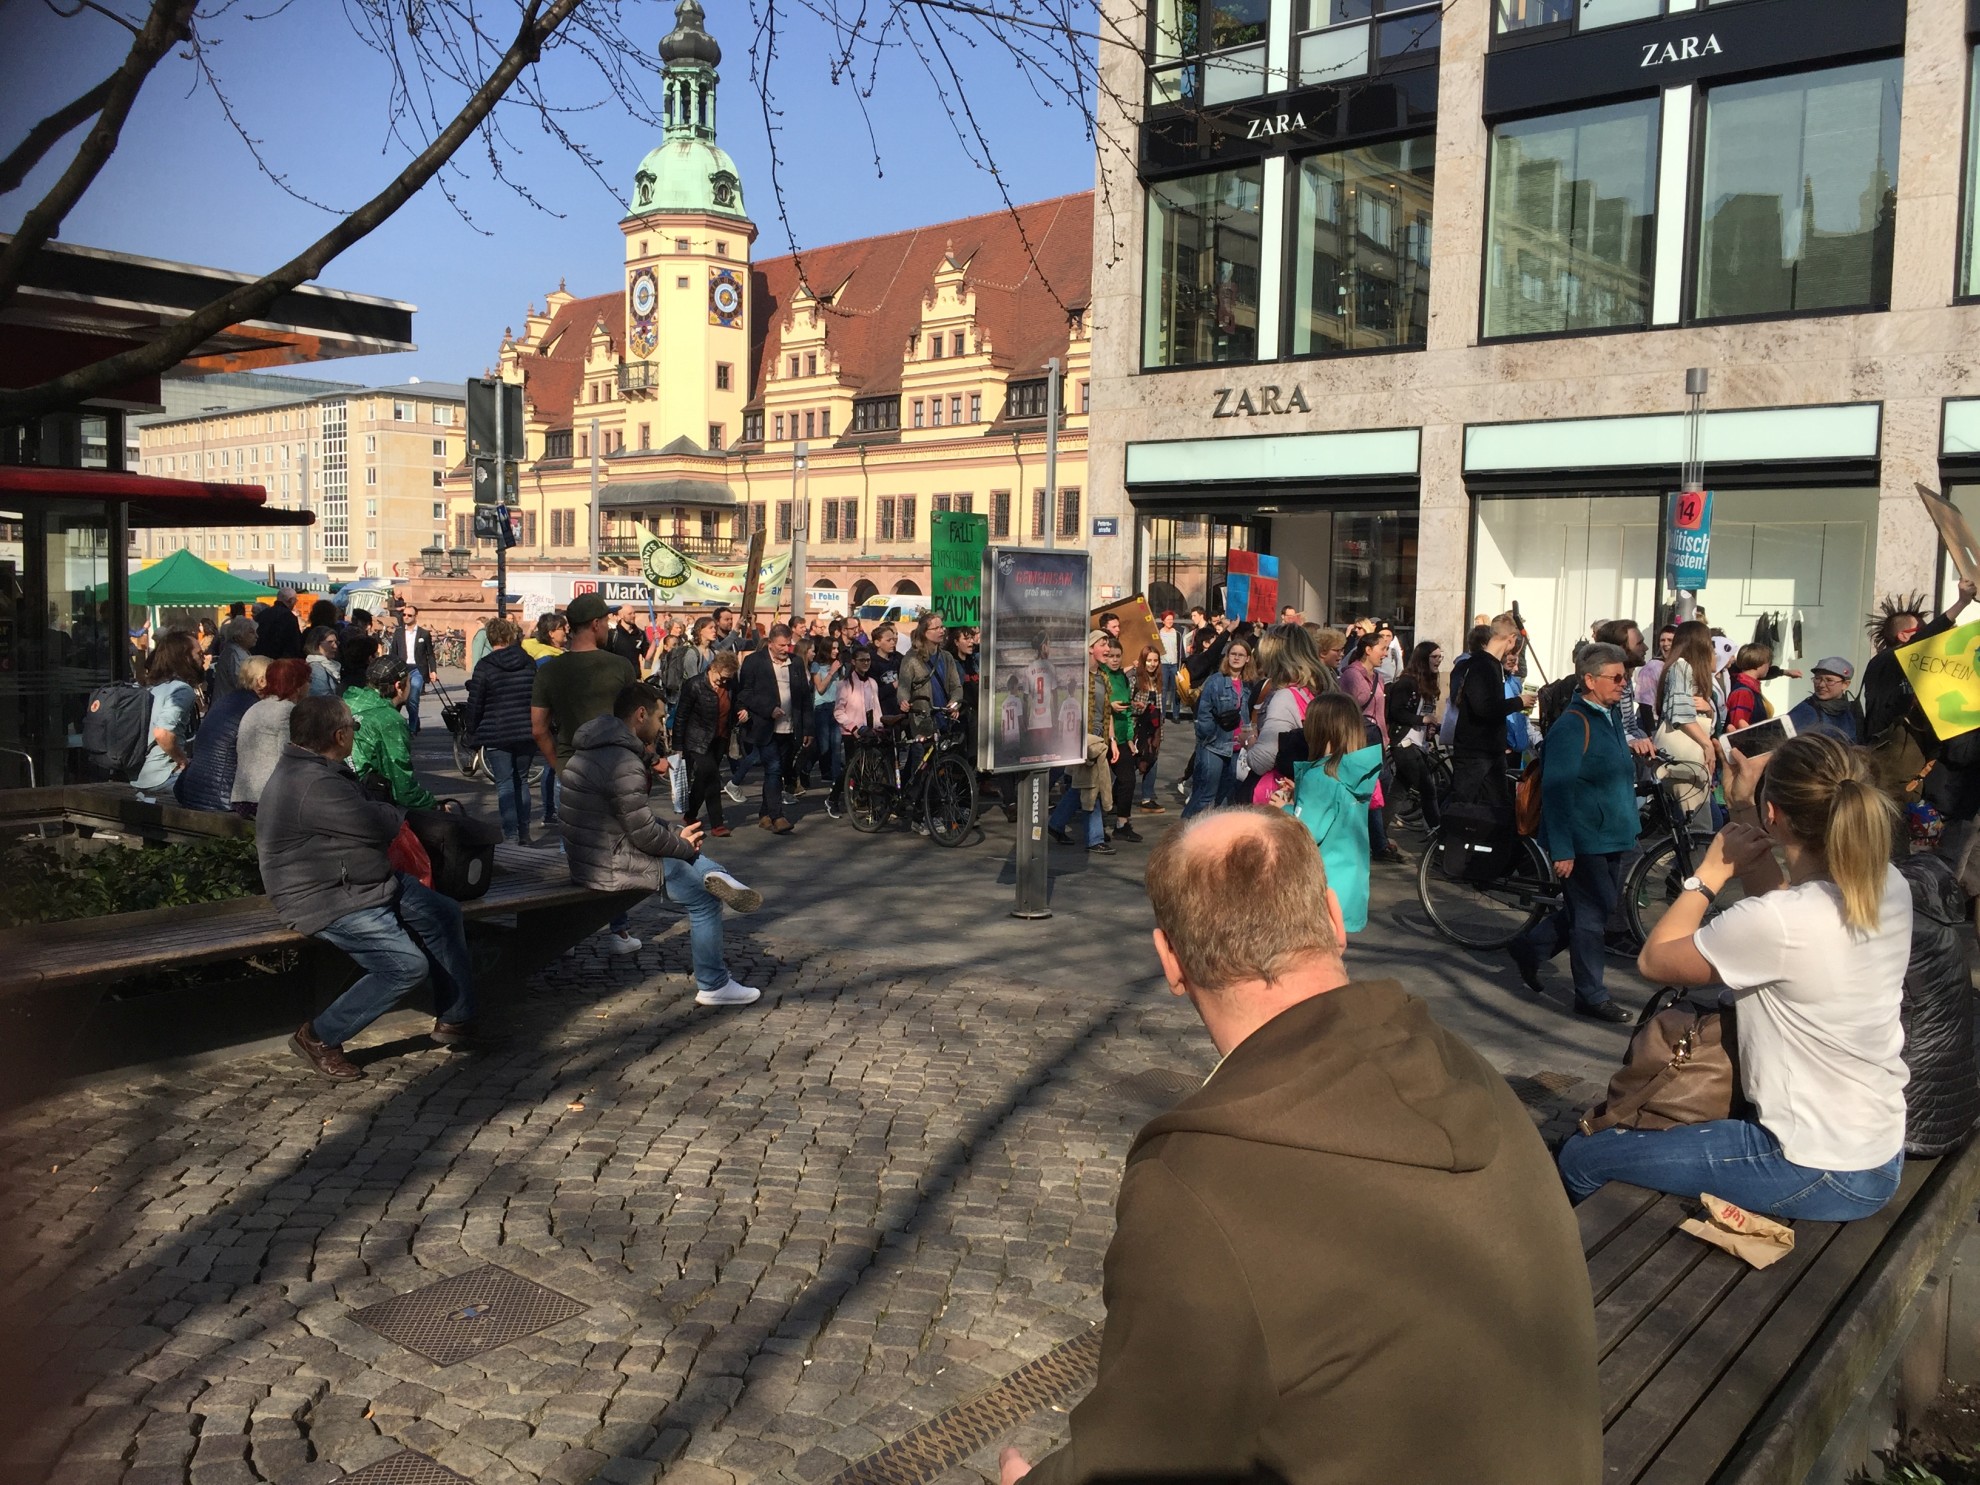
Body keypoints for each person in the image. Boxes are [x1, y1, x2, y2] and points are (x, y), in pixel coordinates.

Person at [1000, 808, 1601, 1485]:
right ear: (1334, 918)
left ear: (1170, 961)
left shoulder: (1198, 1185)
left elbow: (1137, 1455)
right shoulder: (1467, 1069)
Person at [1557, 735, 1912, 1219]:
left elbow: (1654, 961)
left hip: (1813, 1166)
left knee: (1583, 1158)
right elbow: (1783, 910)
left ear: (1776, 814)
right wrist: (1744, 807)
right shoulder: (1888, 884)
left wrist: (1709, 874)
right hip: (1874, 1146)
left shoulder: (1784, 921)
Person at [258, 695, 476, 1081]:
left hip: (367, 882)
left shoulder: (320, 770)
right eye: (354, 731)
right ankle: (319, 1036)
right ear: (340, 735)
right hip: (325, 897)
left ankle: (455, 1018)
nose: (354, 737)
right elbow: (379, 823)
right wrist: (388, 810)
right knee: (405, 967)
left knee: (444, 913)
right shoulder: (311, 783)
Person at [560, 682, 765, 1006]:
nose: (661, 726)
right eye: (659, 717)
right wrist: (681, 846)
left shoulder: (589, 751)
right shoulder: (624, 763)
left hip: (587, 853)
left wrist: (674, 831)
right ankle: (714, 985)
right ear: (640, 715)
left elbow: (629, 820)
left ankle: (717, 873)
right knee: (704, 900)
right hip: (608, 863)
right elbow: (641, 834)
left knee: (685, 847)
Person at [1506, 644, 1638, 1023]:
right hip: (1584, 839)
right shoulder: (1571, 725)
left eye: (1624, 677)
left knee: (1593, 907)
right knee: (1591, 918)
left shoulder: (1609, 715)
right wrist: (1562, 849)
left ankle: (1530, 948)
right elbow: (1557, 791)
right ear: (1590, 680)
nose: (1623, 684)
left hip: (1610, 832)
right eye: (1616, 678)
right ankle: (1591, 994)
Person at [1274, 692, 1383, 934]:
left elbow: (1305, 832)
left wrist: (1284, 809)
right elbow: (1337, 809)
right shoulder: (1353, 771)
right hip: (1348, 887)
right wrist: (1300, 793)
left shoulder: (1320, 777)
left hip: (1319, 889)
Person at [531, 592, 636, 808]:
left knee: (572, 839)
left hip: (571, 768)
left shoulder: (549, 670)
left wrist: (560, 766)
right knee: (617, 837)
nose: (609, 627)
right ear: (596, 624)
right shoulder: (620, 666)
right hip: (615, 768)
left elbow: (539, 729)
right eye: (607, 621)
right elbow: (634, 723)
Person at [466, 617, 542, 845]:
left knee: (505, 783)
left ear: (490, 639)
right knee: (522, 780)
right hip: (526, 730)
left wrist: (471, 730)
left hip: (496, 731)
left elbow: (475, 702)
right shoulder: (529, 662)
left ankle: (510, 834)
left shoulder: (486, 665)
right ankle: (525, 832)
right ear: (511, 637)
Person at [1445, 619, 1532, 814]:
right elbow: (1484, 707)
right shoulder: (1483, 665)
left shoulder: (1487, 664)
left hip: (1488, 750)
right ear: (1511, 639)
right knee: (1461, 805)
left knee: (1498, 806)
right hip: (1476, 751)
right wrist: (1519, 702)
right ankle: (1446, 840)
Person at [734, 622, 809, 834]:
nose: (785, 650)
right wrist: (769, 709)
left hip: (789, 727)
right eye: (781, 646)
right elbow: (745, 693)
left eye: (788, 645)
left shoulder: (795, 663)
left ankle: (765, 813)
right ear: (770, 643)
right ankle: (777, 816)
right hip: (764, 727)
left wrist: (808, 729)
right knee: (774, 768)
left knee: (777, 771)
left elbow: (804, 698)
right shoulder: (754, 662)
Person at [1240, 624, 1327, 806]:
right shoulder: (1320, 691)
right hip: (1313, 791)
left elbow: (1262, 760)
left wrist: (1248, 742)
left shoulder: (1285, 697)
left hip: (1281, 795)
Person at [1050, 631, 1119, 853]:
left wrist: (1113, 741)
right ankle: (1095, 838)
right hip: (1083, 739)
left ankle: (1056, 823)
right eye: (1102, 644)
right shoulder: (1078, 678)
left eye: (1108, 644)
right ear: (1090, 648)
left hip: (1099, 740)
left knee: (1080, 786)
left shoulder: (1104, 677)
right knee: (1092, 786)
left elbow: (1106, 712)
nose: (1107, 648)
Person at [1338, 630, 1402, 866]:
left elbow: (1380, 712)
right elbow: (1349, 710)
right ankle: (1376, 843)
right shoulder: (1351, 676)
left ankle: (1376, 841)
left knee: (1378, 790)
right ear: (1368, 649)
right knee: (1369, 791)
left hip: (1377, 742)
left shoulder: (1379, 677)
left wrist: (1385, 738)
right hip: (1358, 742)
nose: (1385, 654)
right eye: (1382, 649)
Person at [175, 655, 269, 812]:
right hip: (222, 800)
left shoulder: (225, 701)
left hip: (191, 792)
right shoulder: (255, 709)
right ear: (261, 681)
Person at [348, 656, 438, 809]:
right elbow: (401, 779)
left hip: (340, 787)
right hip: (368, 800)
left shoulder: (348, 700)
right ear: (399, 686)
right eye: (409, 682)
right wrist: (432, 804)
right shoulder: (389, 720)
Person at [1654, 619, 1719, 821]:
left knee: (1703, 824)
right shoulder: (1682, 667)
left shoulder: (1681, 668)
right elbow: (1681, 716)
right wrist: (1706, 744)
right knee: (1700, 828)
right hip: (1687, 764)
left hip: (1688, 765)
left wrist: (1709, 710)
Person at [131, 630, 206, 800]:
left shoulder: (153, 687)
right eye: (199, 653)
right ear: (185, 658)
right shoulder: (182, 690)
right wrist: (182, 760)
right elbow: (162, 733)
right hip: (163, 776)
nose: (204, 657)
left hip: (138, 776)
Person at [232, 658, 313, 814]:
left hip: (242, 796)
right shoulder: (287, 710)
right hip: (267, 800)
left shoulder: (256, 707)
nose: (310, 685)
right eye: (308, 680)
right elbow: (289, 759)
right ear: (297, 685)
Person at [1183, 637, 1251, 818]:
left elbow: (1248, 716)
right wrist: (1208, 736)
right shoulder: (1216, 681)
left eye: (1241, 655)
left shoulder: (1248, 684)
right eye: (1233, 654)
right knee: (1205, 796)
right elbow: (1203, 713)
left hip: (1237, 749)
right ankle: (1181, 833)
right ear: (1227, 656)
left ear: (1248, 659)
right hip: (1214, 745)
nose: (1236, 658)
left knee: (1224, 797)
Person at [677, 650, 740, 836]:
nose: (724, 682)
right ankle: (717, 823)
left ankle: (690, 814)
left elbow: (734, 705)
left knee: (704, 778)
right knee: (711, 776)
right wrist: (678, 746)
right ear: (713, 668)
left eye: (728, 678)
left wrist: (741, 711)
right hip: (696, 739)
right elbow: (681, 715)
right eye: (722, 678)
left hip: (719, 738)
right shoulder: (694, 684)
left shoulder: (729, 685)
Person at [1387, 639, 1444, 829]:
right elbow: (1397, 711)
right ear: (1423, 659)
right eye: (1434, 657)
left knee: (1398, 791)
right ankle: (1437, 831)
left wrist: (1430, 728)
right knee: (1427, 789)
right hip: (1404, 744)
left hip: (1418, 744)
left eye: (1440, 656)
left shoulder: (1427, 682)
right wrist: (1423, 720)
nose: (1438, 660)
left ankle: (1377, 835)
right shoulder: (1407, 682)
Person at [828, 645, 882, 819]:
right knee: (851, 768)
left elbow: (875, 708)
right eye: (862, 660)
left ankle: (863, 799)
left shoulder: (872, 683)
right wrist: (852, 727)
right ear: (854, 662)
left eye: (868, 660)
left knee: (868, 768)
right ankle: (833, 799)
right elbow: (838, 711)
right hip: (852, 732)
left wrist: (880, 727)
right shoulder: (845, 684)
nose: (866, 663)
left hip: (869, 731)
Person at [1099, 636, 1140, 844]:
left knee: (1128, 780)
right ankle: (1097, 827)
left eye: (1118, 656)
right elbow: (1098, 703)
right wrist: (1110, 706)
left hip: (1123, 736)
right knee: (1099, 785)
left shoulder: (1123, 678)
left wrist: (1131, 738)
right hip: (1103, 737)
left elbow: (1127, 709)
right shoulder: (1101, 675)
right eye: (1110, 656)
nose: (1114, 660)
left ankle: (1122, 824)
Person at [387, 602, 437, 737]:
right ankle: (416, 722)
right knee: (400, 699)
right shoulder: (398, 633)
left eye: (409, 615)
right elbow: (393, 653)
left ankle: (412, 728)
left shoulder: (424, 634)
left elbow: (430, 654)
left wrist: (433, 670)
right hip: (402, 669)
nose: (406, 617)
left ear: (416, 616)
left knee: (413, 698)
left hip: (417, 670)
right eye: (404, 615)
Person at [1787, 657, 1864, 744]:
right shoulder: (1805, 711)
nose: (1821, 684)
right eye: (1817, 679)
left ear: (1845, 684)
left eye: (1829, 680)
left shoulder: (1850, 712)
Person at [808, 635, 846, 804]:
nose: (836, 651)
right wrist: (831, 672)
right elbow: (821, 688)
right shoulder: (817, 665)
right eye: (833, 648)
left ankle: (836, 783)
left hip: (836, 708)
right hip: (822, 708)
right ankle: (804, 768)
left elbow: (843, 687)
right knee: (823, 746)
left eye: (838, 648)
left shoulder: (839, 665)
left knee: (836, 746)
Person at [1129, 644, 1166, 813]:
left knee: (1153, 759)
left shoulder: (1158, 681)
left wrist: (1160, 731)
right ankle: (1115, 797)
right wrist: (1137, 706)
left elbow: (1160, 709)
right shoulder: (1135, 679)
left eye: (1155, 660)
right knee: (1132, 762)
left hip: (1154, 729)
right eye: (1149, 660)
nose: (1152, 664)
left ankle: (1147, 798)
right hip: (1138, 727)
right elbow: (1125, 704)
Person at [1723, 642, 1775, 734]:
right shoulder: (1743, 692)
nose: (1769, 666)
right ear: (1759, 661)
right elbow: (1738, 730)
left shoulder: (1750, 687)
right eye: (1769, 662)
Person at [210, 615, 258, 702]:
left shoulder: (236, 652)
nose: (256, 636)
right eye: (251, 632)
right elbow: (243, 683)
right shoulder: (235, 655)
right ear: (239, 636)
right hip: (229, 706)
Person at [252, 585, 305, 661]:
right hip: (279, 662)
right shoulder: (289, 617)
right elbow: (294, 645)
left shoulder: (262, 614)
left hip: (260, 660)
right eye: (295, 600)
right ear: (290, 600)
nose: (295, 603)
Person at [606, 605, 651, 670]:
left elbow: (647, 656)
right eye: (630, 614)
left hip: (634, 676)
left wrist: (654, 642)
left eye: (634, 613)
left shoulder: (640, 634)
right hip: (618, 676)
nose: (633, 616)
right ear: (621, 615)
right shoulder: (612, 634)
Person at [303, 625, 342, 698]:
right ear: (316, 644)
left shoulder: (330, 665)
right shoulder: (316, 668)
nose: (335, 646)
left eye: (336, 642)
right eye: (330, 642)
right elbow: (320, 697)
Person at [1157, 611, 1181, 720]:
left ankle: (1176, 715)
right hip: (1163, 664)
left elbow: (1180, 649)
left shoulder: (1177, 633)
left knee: (1176, 690)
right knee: (1163, 690)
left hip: (1174, 664)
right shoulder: (1159, 633)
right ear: (1163, 621)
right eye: (1168, 619)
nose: (1170, 621)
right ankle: (1162, 714)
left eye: (1171, 619)